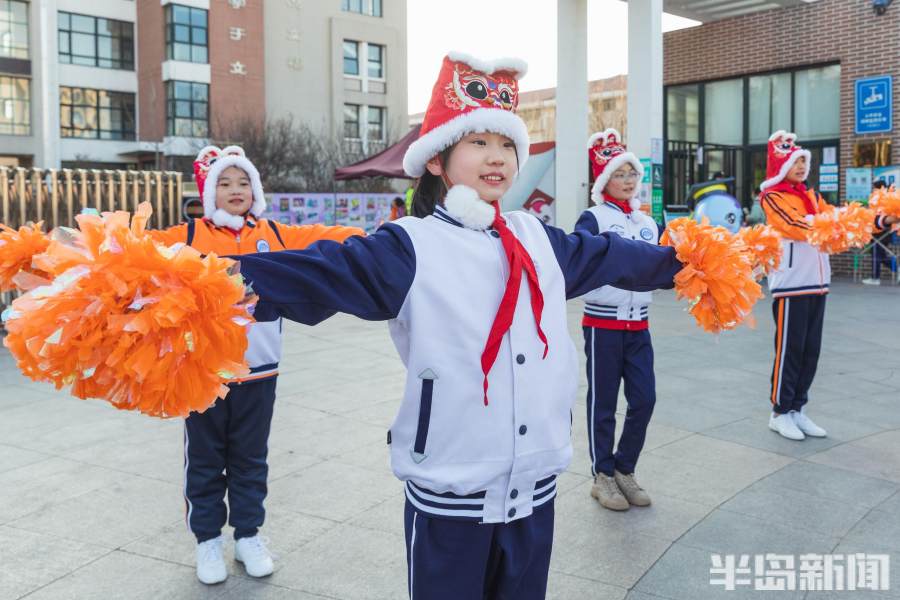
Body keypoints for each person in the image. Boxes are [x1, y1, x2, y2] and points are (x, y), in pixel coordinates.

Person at [231, 53, 684, 598]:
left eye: (507, 145)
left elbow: (614, 256)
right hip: (452, 490)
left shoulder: (538, 238)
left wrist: (689, 263)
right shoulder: (411, 245)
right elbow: (330, 268)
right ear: (438, 161)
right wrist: (234, 279)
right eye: (478, 143)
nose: (498, 158)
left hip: (533, 486)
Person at [149, 145, 364, 585]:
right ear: (209, 192)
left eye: (243, 182)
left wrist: (383, 236)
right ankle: (208, 540)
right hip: (203, 373)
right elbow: (133, 252)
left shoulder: (275, 233)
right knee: (206, 459)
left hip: (261, 369)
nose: (235, 190)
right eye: (224, 183)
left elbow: (327, 236)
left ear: (256, 189)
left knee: (251, 457)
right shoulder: (186, 238)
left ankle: (248, 535)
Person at [574, 129, 661, 512]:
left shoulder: (648, 222)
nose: (628, 181)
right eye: (620, 174)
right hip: (603, 325)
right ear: (604, 179)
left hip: (639, 324)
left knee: (645, 399)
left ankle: (625, 468)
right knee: (604, 403)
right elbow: (583, 261)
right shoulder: (592, 218)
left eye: (632, 174)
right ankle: (602, 476)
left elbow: (659, 264)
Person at [863, 180, 896, 285]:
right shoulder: (886, 198)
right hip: (881, 231)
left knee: (877, 254)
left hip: (880, 231)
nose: (872, 190)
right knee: (880, 255)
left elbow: (878, 215)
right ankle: (897, 269)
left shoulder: (881, 199)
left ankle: (875, 277)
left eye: (874, 188)